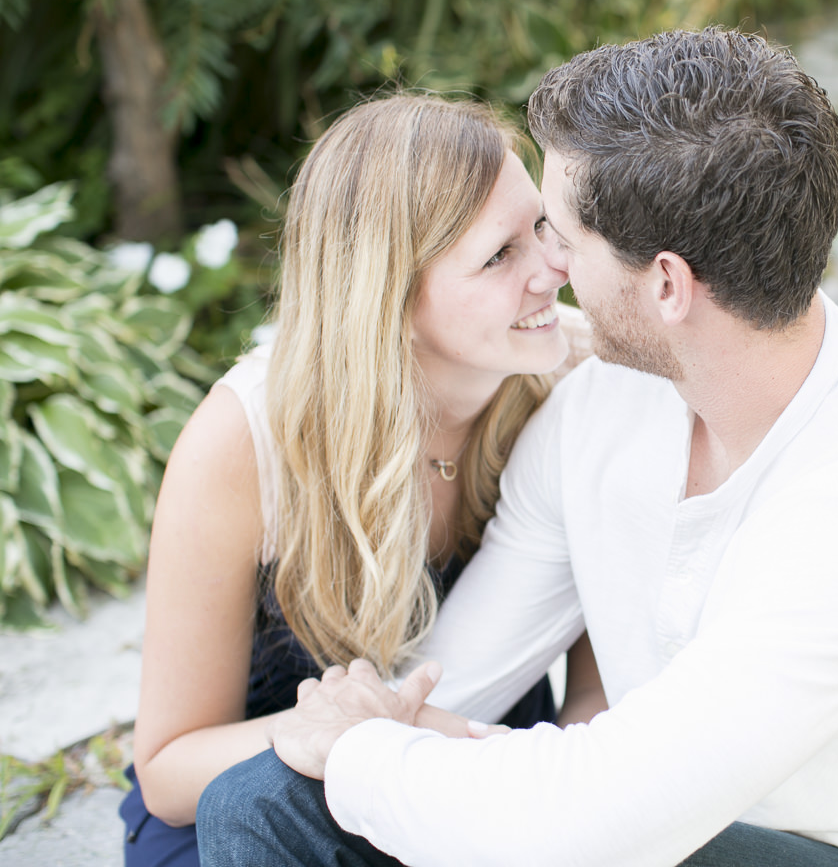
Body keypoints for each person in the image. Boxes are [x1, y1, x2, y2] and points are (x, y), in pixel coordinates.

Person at [197, 29, 838, 867]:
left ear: (667, 284)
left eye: (561, 233)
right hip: (630, 818)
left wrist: (366, 749)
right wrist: (373, 735)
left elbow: (602, 825)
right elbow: (447, 684)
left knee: (447, 796)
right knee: (266, 804)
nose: (548, 264)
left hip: (810, 853)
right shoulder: (599, 409)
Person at [121, 94, 605, 867]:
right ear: (390, 295)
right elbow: (168, 770)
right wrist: (349, 732)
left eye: (542, 225)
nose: (557, 266)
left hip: (478, 779)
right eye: (499, 254)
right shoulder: (247, 441)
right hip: (263, 806)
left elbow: (595, 698)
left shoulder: (579, 382)